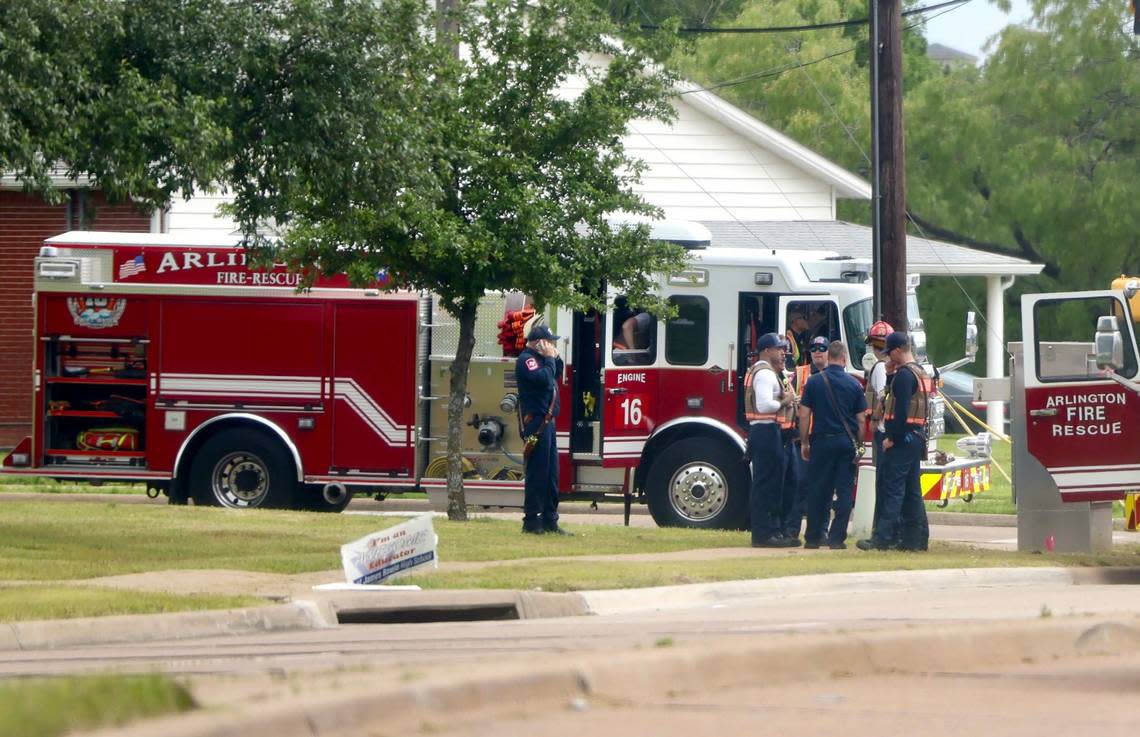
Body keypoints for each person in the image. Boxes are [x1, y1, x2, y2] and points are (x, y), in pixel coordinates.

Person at [857, 332, 931, 552]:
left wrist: (891, 438)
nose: (887, 358)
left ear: (899, 350)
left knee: (893, 489)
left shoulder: (905, 376)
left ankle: (882, 538)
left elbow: (899, 410)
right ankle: (915, 540)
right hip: (916, 436)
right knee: (912, 491)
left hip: (903, 437)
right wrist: (890, 377)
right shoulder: (918, 371)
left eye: (889, 353)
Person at [798, 340, 867, 549]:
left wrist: (804, 442)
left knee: (818, 489)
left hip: (821, 441)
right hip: (846, 443)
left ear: (829, 357)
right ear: (844, 358)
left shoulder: (814, 382)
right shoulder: (854, 384)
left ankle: (812, 538)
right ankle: (836, 539)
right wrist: (860, 445)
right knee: (844, 491)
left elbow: (804, 414)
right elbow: (862, 419)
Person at [744, 333, 799, 548]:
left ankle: (770, 531)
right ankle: (764, 534)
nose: (783, 352)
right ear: (766, 350)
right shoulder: (765, 373)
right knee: (767, 484)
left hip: (766, 433)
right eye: (778, 348)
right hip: (766, 432)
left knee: (771, 483)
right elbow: (765, 405)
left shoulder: (766, 372)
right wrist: (785, 400)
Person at [516, 323, 570, 535]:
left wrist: (553, 357)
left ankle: (550, 519)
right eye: (550, 342)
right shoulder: (527, 360)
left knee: (551, 474)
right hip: (537, 422)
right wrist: (548, 359)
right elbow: (545, 380)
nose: (552, 345)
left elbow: (556, 372)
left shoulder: (543, 360)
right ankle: (532, 520)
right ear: (539, 343)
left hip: (548, 423)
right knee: (537, 472)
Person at [782, 335, 829, 539]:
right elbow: (785, 393)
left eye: (822, 348)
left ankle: (821, 531)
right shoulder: (799, 374)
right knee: (799, 484)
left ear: (829, 352)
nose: (817, 351)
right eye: (814, 348)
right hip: (803, 438)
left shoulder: (834, 374)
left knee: (825, 486)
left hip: (825, 437)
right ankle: (792, 529)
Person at [863, 320, 894, 539]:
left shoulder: (879, 368)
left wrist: (874, 419)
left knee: (883, 482)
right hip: (889, 430)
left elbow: (882, 398)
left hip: (883, 431)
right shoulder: (891, 367)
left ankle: (880, 531)